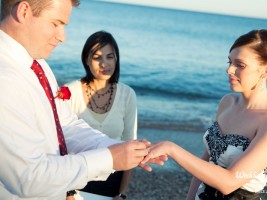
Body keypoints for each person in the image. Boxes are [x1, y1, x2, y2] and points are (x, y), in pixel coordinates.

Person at [0, 1, 165, 200]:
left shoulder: (39, 66)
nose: (62, 37)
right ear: (24, 11)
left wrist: (119, 149)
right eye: (56, 23)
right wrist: (110, 158)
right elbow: (29, 178)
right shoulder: (5, 79)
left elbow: (65, 125)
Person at [141, 29, 267, 200]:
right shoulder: (227, 102)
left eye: (240, 65)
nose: (229, 70)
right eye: (229, 62)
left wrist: (172, 148)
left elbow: (230, 182)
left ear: (266, 70)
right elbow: (206, 161)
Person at [66, 31, 137, 200]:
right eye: (97, 57)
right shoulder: (70, 92)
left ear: (116, 59)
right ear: (86, 60)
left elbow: (131, 145)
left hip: (112, 181)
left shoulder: (127, 95)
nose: (104, 63)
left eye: (110, 57)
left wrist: (122, 193)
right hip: (76, 179)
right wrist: (67, 191)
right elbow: (61, 144)